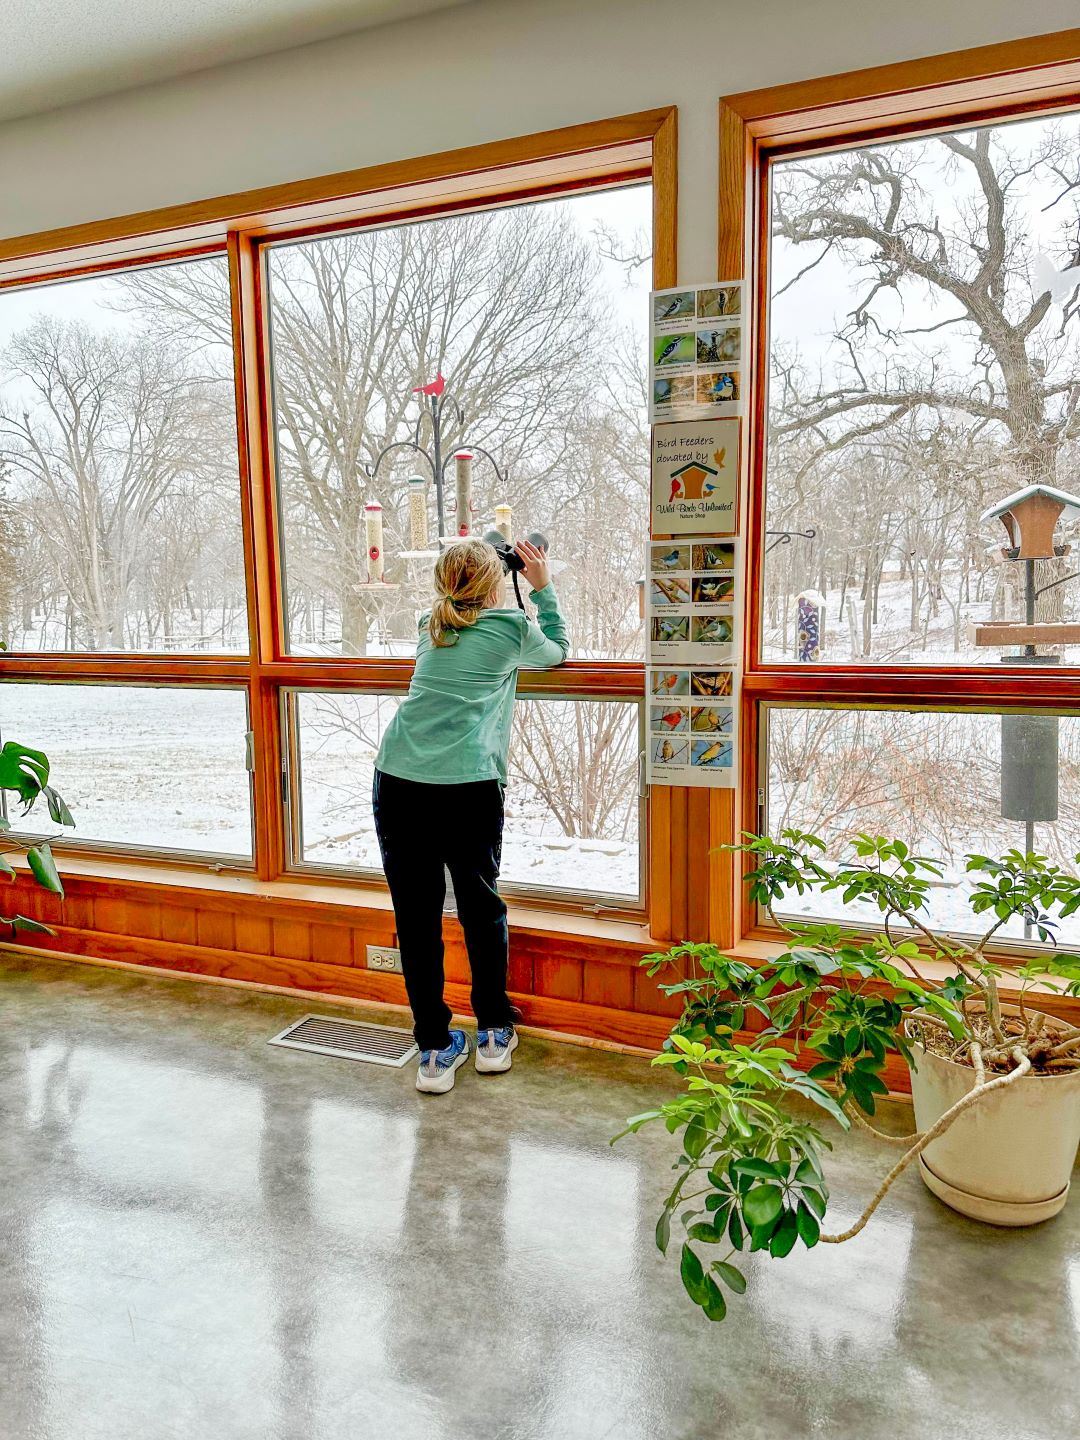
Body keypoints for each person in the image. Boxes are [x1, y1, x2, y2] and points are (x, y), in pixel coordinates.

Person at [373, 536, 569, 1094]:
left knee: (416, 916)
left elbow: (460, 610)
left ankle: (434, 1048)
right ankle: (492, 1032)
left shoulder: (427, 625)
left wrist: (482, 559)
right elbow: (558, 649)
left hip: (399, 779)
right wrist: (541, 584)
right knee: (480, 909)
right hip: (466, 786)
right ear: (492, 583)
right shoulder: (510, 630)